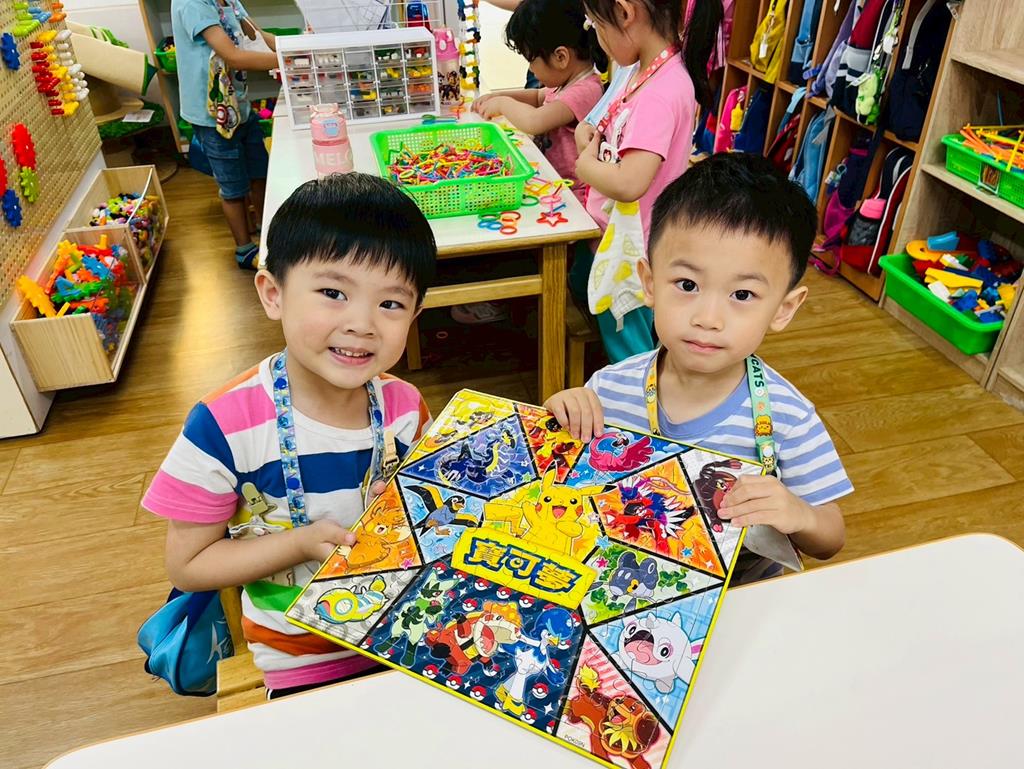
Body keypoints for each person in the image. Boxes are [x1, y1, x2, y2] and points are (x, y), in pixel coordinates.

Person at [142, 173, 436, 698]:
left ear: (415, 314)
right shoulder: (222, 426)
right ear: (273, 293)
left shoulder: (405, 408)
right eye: (332, 293)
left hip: (412, 637)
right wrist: (296, 544)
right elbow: (187, 567)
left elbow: (437, 511)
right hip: (302, 660)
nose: (362, 323)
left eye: (391, 304)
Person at [545, 153, 851, 582]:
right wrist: (561, 416)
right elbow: (569, 474)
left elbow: (830, 538)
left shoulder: (789, 417)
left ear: (783, 309)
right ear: (649, 283)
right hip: (626, 577)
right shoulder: (609, 388)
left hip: (740, 589)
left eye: (742, 295)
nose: (708, 318)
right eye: (687, 285)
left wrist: (799, 514)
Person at [572, 0, 722, 361]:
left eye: (596, 25)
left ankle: (642, 394)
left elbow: (629, 183)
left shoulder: (660, 90)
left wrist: (584, 165)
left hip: (630, 250)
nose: (597, 37)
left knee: (630, 351)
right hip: (613, 237)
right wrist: (593, 136)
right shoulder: (646, 72)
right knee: (590, 296)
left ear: (625, 13)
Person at [172, 0, 279, 268]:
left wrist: (298, 47)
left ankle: (266, 231)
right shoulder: (191, 4)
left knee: (260, 172)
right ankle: (244, 249)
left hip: (239, 105)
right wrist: (288, 60)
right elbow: (232, 56)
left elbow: (256, 35)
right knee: (233, 187)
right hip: (214, 115)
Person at [473, 0, 606, 203]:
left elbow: (535, 121)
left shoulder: (586, 90)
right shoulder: (566, 82)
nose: (531, 69)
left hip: (572, 197)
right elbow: (537, 97)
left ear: (561, 57)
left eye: (531, 60)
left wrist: (502, 104)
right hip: (550, 183)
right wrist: (497, 96)